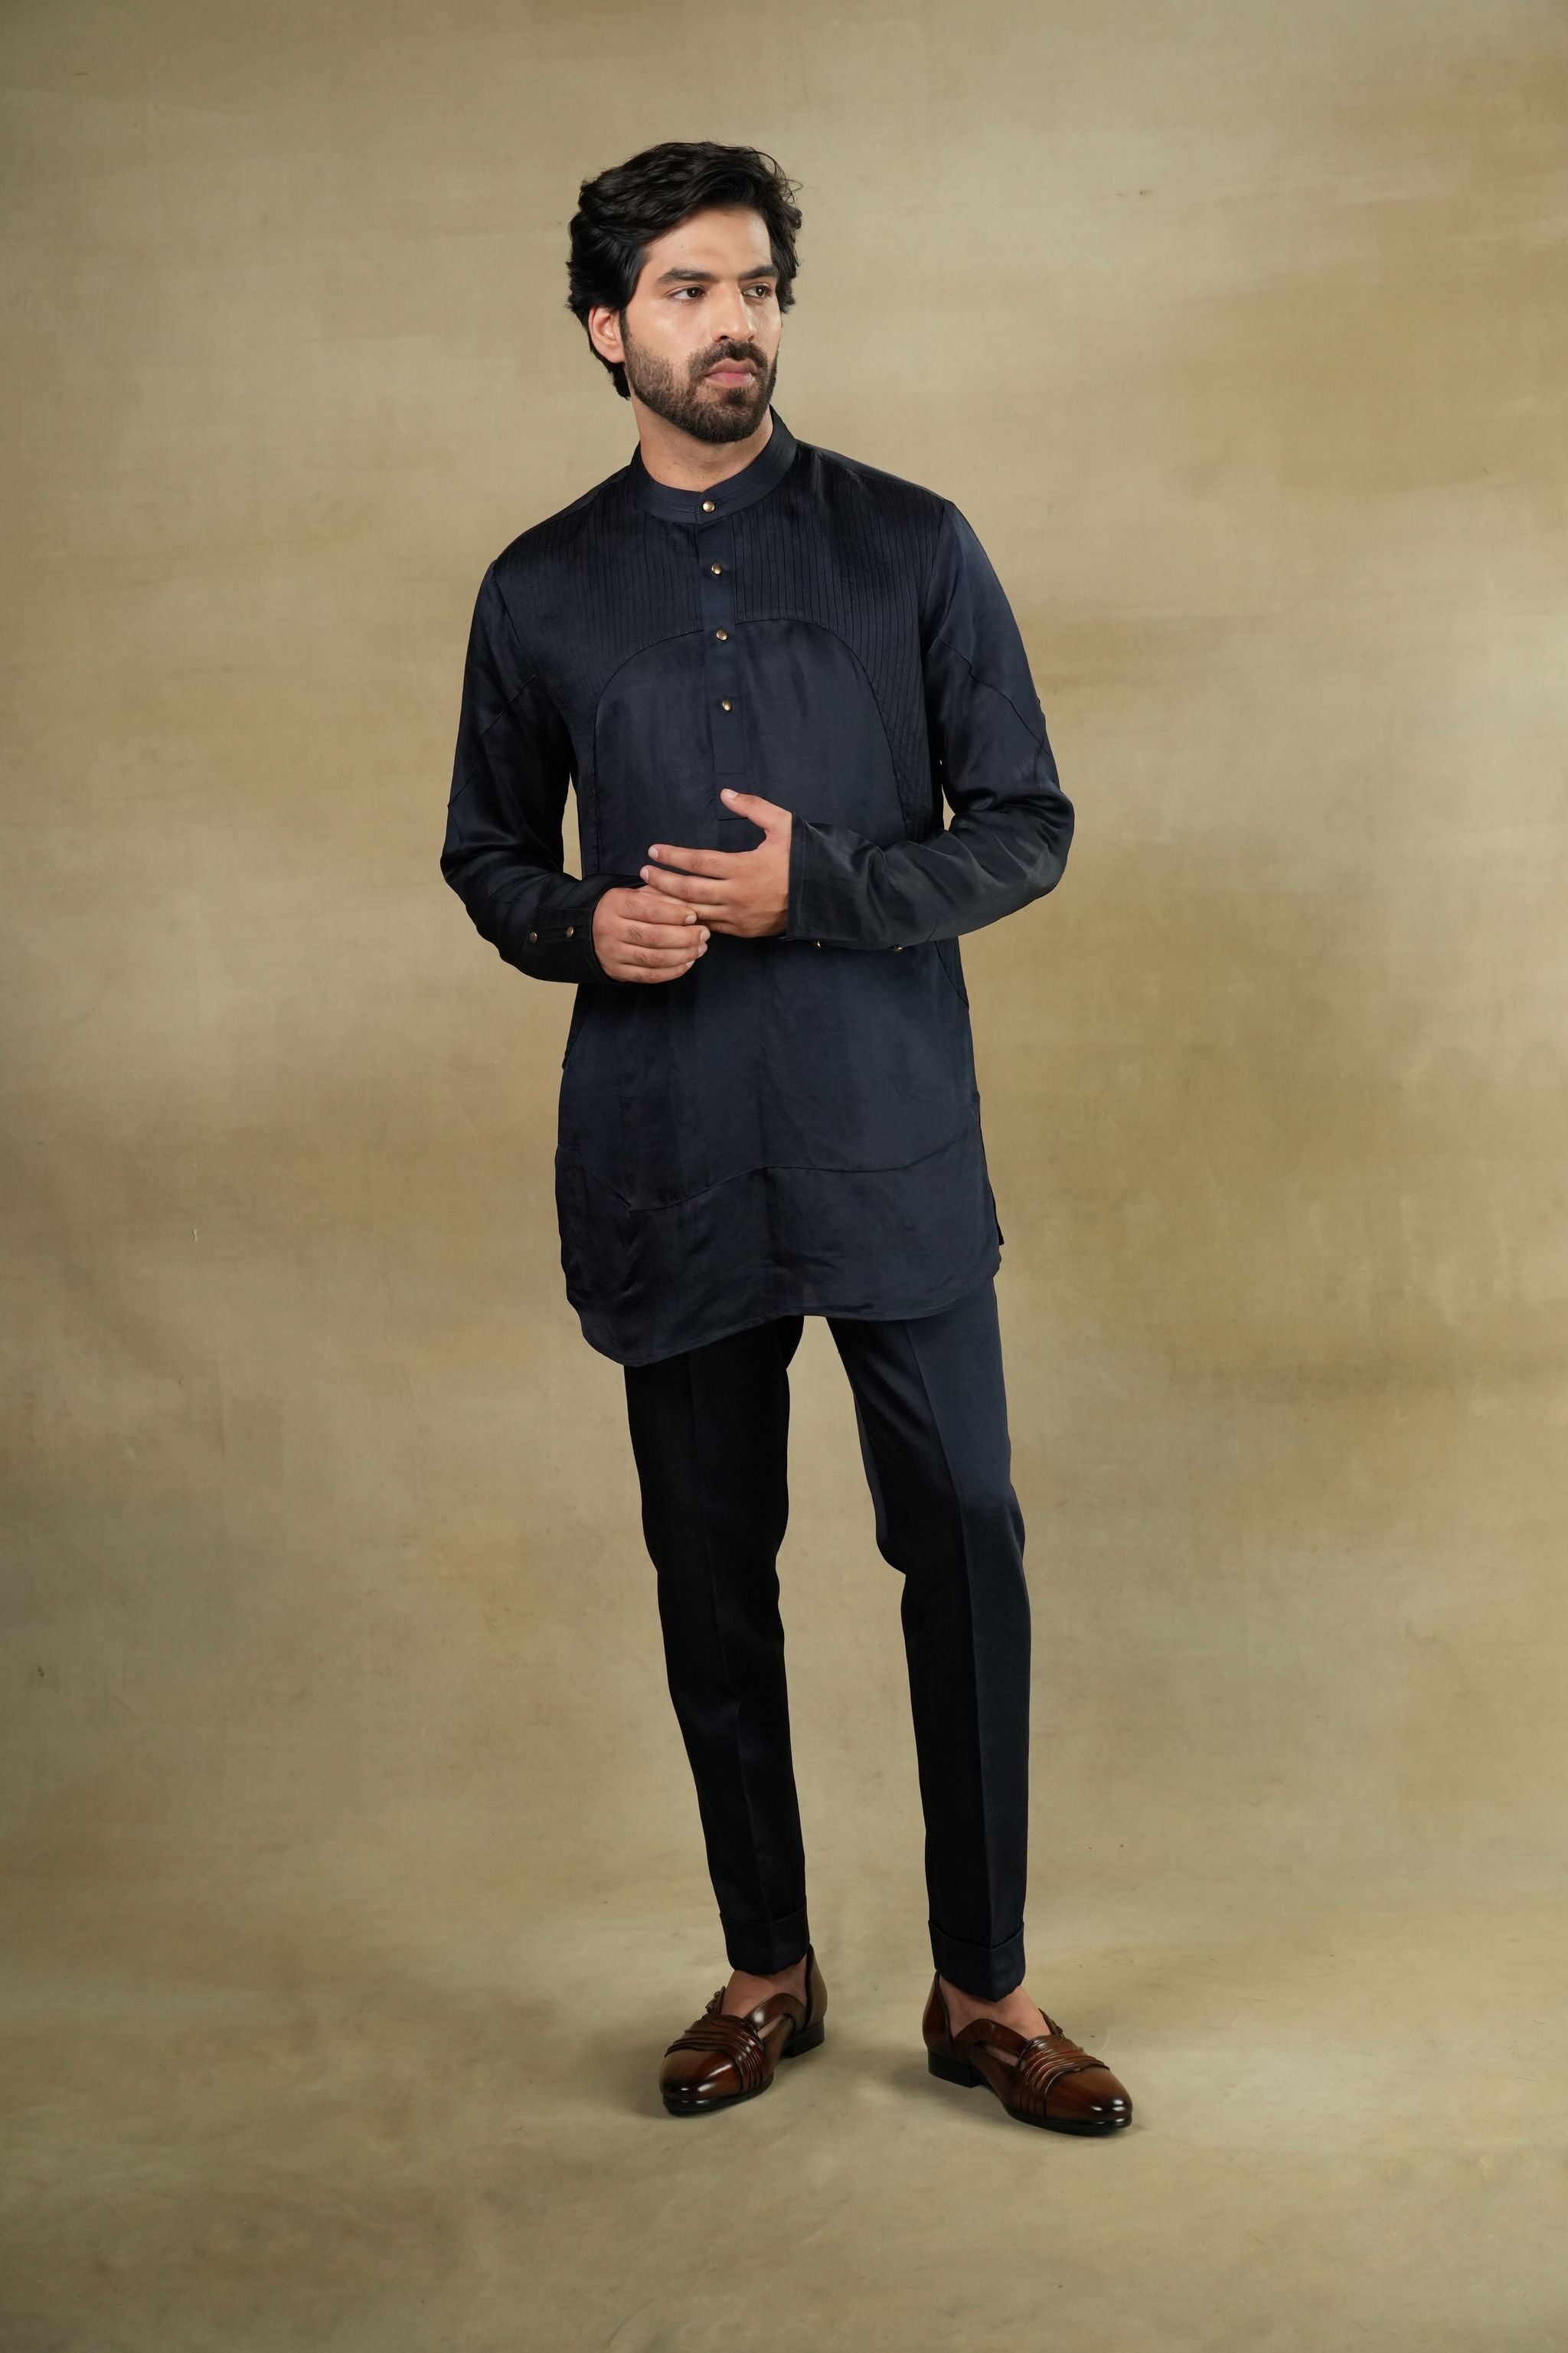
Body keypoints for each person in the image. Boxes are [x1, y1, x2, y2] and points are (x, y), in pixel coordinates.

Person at [440, 140, 1133, 2135]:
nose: (731, 321)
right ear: (609, 330)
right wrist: (588, 926)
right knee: (709, 1565)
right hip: (668, 1152)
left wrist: (814, 886)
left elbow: (1028, 824)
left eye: (753, 286)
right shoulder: (539, 587)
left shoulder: (914, 543)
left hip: (887, 1137)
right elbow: (488, 853)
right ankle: (768, 1967)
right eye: (686, 290)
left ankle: (986, 1988)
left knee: (967, 1536)